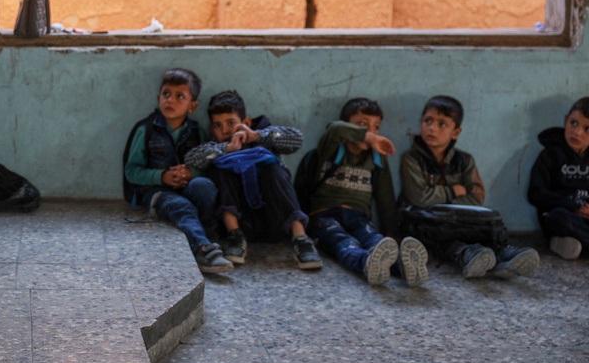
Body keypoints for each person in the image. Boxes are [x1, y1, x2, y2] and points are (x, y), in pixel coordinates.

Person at [398, 96, 539, 278]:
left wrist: (443, 201)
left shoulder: (464, 161)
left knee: (487, 219)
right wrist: (454, 191)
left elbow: (476, 198)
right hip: (423, 221)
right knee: (440, 231)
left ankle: (501, 255)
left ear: (455, 132)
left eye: (442, 124)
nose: (432, 128)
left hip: (452, 220)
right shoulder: (411, 159)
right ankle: (475, 255)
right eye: (428, 121)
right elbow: (420, 198)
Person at [296, 98, 428, 287]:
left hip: (359, 218)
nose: (371, 132)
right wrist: (370, 137)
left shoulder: (376, 159)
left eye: (376, 127)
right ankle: (366, 263)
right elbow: (335, 129)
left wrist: (391, 232)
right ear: (348, 125)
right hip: (325, 216)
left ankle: (404, 267)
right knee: (344, 242)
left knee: (377, 242)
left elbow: (385, 198)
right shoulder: (331, 149)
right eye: (362, 125)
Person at [183, 90, 321, 270]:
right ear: (211, 129)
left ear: (245, 122)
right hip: (243, 225)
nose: (225, 130)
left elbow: (297, 139)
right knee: (223, 167)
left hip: (276, 220)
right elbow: (191, 159)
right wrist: (227, 148)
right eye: (218, 125)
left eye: (231, 123)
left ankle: (301, 239)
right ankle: (235, 237)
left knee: (273, 168)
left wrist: (257, 135)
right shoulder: (216, 146)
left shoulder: (262, 138)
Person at [123, 68, 233, 273]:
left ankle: (212, 235)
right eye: (166, 94)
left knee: (205, 186)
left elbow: (209, 170)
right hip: (157, 192)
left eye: (179, 96)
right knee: (180, 205)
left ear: (192, 106)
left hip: (188, 187)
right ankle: (203, 249)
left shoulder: (197, 133)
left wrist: (192, 174)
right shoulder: (146, 130)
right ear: (158, 98)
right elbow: (132, 171)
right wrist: (161, 176)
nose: (170, 101)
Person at [528, 96, 589, 260]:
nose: (577, 132)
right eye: (573, 123)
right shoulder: (550, 155)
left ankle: (567, 244)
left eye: (587, 129)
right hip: (563, 216)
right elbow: (535, 193)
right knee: (559, 218)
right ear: (565, 120)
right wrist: (574, 207)